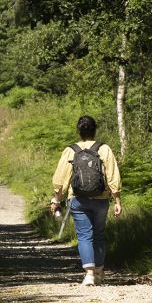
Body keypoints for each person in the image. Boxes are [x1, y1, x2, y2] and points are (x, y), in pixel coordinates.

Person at [47, 115, 122, 286]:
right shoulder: (104, 149)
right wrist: (117, 201)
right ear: (95, 130)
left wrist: (56, 200)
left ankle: (89, 274)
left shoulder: (71, 150)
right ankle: (99, 272)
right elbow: (113, 176)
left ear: (78, 131)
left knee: (84, 236)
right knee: (99, 235)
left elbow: (60, 179)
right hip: (101, 199)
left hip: (78, 199)